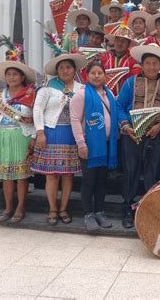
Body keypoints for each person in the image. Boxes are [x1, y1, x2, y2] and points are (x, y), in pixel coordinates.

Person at [117, 43, 160, 228]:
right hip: (132, 134)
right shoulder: (130, 83)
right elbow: (119, 106)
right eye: (147, 63)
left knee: (152, 172)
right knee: (131, 171)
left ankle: (149, 208)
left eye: (154, 63)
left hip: (156, 135)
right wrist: (127, 127)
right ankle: (127, 208)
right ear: (142, 65)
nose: (151, 67)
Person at [31, 52, 87, 225]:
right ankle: (52, 209)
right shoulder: (48, 88)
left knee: (68, 175)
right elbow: (37, 109)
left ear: (74, 69)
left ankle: (63, 209)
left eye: (68, 67)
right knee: (52, 175)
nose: (65, 70)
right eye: (61, 68)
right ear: (57, 71)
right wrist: (40, 132)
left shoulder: (82, 89)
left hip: (72, 134)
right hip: (51, 133)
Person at [0, 55, 37, 223]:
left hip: (21, 137)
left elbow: (37, 118)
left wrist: (34, 137)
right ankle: (8, 208)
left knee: (21, 175)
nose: (11, 77)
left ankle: (20, 208)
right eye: (9, 74)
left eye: (15, 74)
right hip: (1, 137)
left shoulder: (31, 95)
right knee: (5, 175)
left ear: (22, 77)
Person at [70, 60, 119, 231]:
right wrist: (81, 144)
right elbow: (75, 119)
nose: (97, 76)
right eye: (93, 73)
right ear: (87, 75)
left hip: (106, 145)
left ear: (105, 76)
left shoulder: (110, 94)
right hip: (89, 145)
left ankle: (100, 211)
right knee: (89, 181)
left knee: (101, 181)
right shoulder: (81, 95)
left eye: (100, 73)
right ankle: (88, 213)